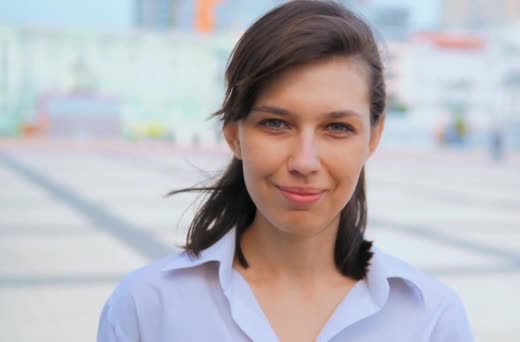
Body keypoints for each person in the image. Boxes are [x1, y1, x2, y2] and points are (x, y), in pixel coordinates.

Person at [97, 1, 474, 341]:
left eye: (337, 128)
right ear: (234, 133)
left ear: (374, 136)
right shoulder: (146, 308)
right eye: (276, 123)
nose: (304, 162)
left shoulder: (430, 319)